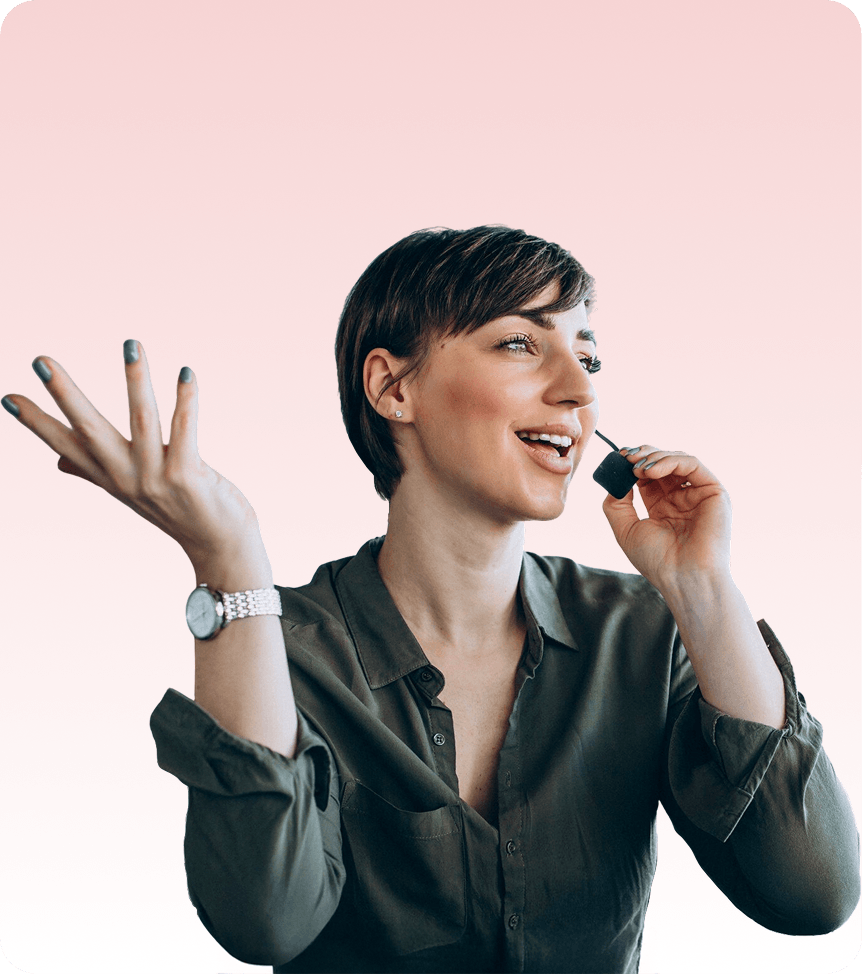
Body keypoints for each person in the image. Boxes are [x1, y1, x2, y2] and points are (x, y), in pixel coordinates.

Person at [3, 225, 858, 974]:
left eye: (588, 356)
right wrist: (229, 561)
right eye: (521, 344)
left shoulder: (645, 633)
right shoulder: (281, 644)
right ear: (393, 388)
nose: (580, 390)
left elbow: (816, 895)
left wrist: (702, 587)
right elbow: (262, 919)